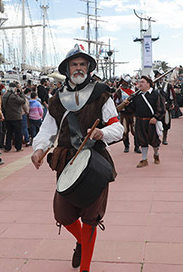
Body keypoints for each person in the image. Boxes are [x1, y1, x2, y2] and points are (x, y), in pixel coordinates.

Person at [31, 45, 123, 272]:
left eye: (83, 64)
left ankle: (85, 268)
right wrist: (39, 149)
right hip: (66, 162)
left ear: (89, 67)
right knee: (63, 214)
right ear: (67, 68)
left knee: (91, 218)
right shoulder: (55, 99)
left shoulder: (101, 94)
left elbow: (117, 128)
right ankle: (82, 241)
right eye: (74, 64)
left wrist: (103, 133)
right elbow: (47, 129)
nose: (79, 68)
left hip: (94, 161)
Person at [125, 75, 165, 168]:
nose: (140, 83)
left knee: (154, 141)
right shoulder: (137, 96)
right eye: (140, 82)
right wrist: (127, 104)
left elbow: (161, 108)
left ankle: (156, 154)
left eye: (142, 82)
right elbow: (131, 109)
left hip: (151, 121)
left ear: (148, 84)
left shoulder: (155, 94)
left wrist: (156, 117)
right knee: (142, 141)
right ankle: (144, 159)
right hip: (140, 121)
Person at [2, 82, 25, 152]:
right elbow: (23, 101)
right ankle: (18, 147)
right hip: (16, 117)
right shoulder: (14, 97)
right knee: (18, 133)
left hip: (8, 116)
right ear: (15, 88)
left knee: (9, 133)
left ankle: (7, 147)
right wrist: (21, 93)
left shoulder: (5, 95)